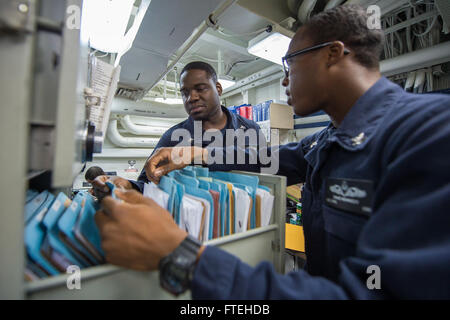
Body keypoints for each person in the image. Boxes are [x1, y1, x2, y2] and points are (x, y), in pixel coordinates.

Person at [95, 5, 450, 299]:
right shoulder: (326, 141)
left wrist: (184, 256)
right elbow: (268, 160)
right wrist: (192, 154)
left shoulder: (430, 130)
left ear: (333, 54)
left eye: (289, 63)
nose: (284, 80)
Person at [92, 61, 263, 194]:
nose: (191, 98)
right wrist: (127, 185)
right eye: (185, 92)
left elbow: (269, 175)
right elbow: (147, 183)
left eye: (200, 89)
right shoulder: (173, 138)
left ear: (218, 89)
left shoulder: (250, 130)